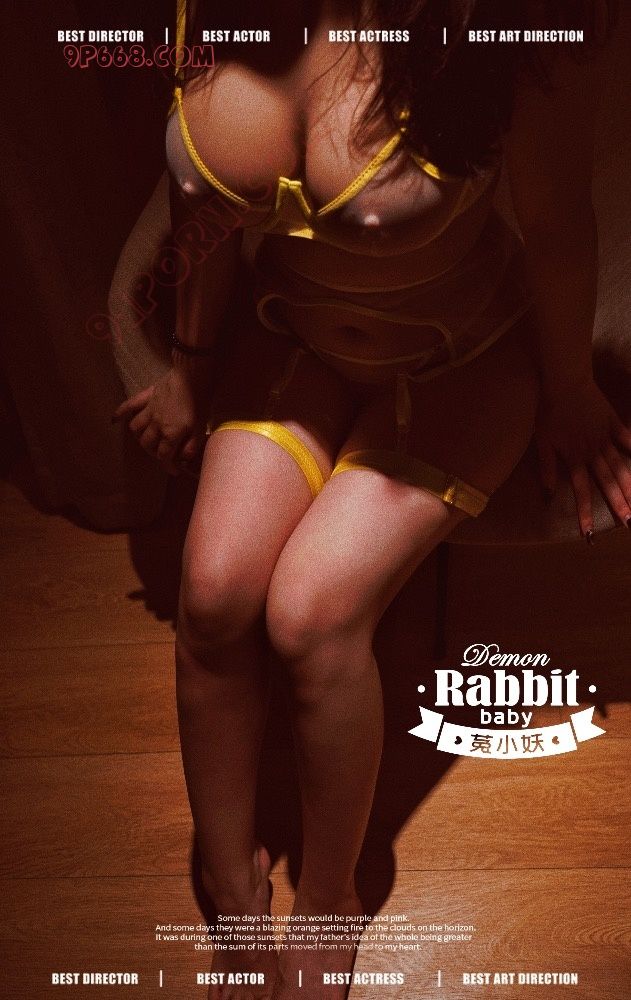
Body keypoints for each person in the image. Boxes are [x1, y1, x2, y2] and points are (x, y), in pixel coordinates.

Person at [114, 2, 627, 997]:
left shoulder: (507, 23)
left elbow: (558, 224)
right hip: (292, 337)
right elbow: (199, 210)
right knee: (212, 595)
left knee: (310, 613)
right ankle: (229, 880)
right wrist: (189, 366)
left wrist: (570, 388)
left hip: (457, 359)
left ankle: (331, 895)